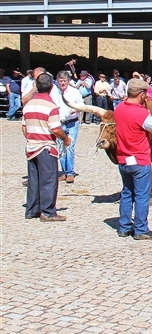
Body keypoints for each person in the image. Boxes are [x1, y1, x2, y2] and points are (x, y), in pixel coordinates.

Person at [22, 73, 72, 221]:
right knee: (49, 180)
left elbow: (24, 127)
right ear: (51, 87)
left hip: (31, 146)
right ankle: (48, 211)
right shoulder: (51, 106)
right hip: (46, 147)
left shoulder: (28, 105)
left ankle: (32, 209)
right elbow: (55, 128)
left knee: (34, 180)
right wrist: (65, 139)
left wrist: (32, 137)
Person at [115, 78, 152, 240]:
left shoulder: (119, 108)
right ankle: (141, 229)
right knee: (142, 194)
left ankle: (124, 227)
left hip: (123, 158)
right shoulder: (141, 113)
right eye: (145, 94)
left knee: (127, 192)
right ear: (141, 95)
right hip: (140, 159)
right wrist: (147, 112)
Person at [51, 70, 83, 183]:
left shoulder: (74, 92)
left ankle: (70, 172)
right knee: (61, 148)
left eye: (64, 81)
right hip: (59, 123)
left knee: (70, 147)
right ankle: (64, 172)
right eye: (60, 81)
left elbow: (82, 105)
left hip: (72, 123)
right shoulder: (54, 92)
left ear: (68, 81)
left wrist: (76, 109)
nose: (62, 83)